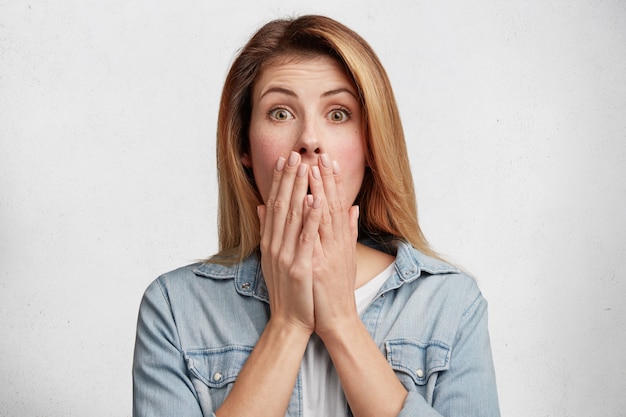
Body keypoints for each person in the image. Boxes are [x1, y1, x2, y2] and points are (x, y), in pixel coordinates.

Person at [132, 15, 500, 417]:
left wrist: (341, 322)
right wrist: (288, 324)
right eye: (281, 113)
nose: (309, 139)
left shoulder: (451, 304)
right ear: (244, 146)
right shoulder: (175, 307)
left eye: (338, 113)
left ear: (370, 144)